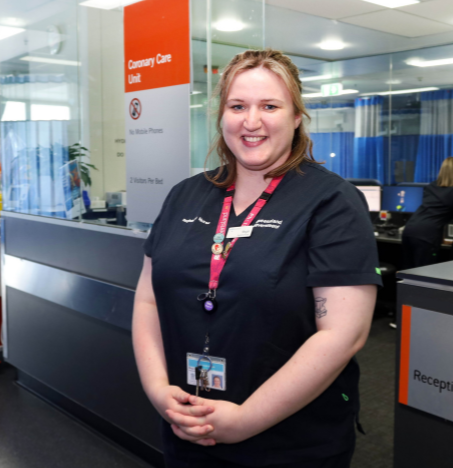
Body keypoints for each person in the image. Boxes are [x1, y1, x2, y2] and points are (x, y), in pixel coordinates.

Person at [132, 49, 381, 468]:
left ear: (296, 116)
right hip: (187, 427)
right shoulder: (185, 195)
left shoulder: (333, 202)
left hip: (289, 445)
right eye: (238, 106)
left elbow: (342, 334)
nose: (251, 121)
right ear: (221, 115)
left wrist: (245, 420)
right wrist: (158, 389)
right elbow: (148, 300)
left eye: (269, 106)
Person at [401, 157, 453, 270]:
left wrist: (441, 238)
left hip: (409, 231)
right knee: (424, 274)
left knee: (408, 272)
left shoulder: (431, 187)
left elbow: (435, 213)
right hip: (426, 237)